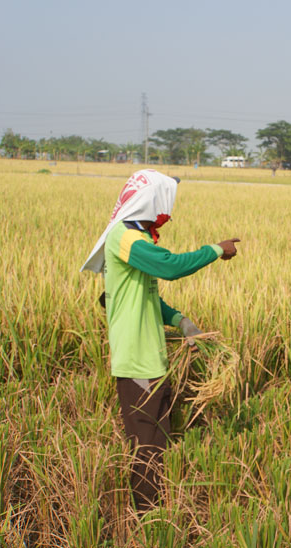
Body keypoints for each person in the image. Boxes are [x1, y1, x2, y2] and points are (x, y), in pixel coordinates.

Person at [81, 169, 240, 513]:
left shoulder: (135, 239)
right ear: (152, 201)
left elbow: (147, 296)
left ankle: (157, 508)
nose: (167, 212)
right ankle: (148, 517)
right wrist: (215, 250)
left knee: (160, 440)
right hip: (138, 362)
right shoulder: (125, 238)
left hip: (153, 360)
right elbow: (169, 267)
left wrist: (182, 322)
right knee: (147, 446)